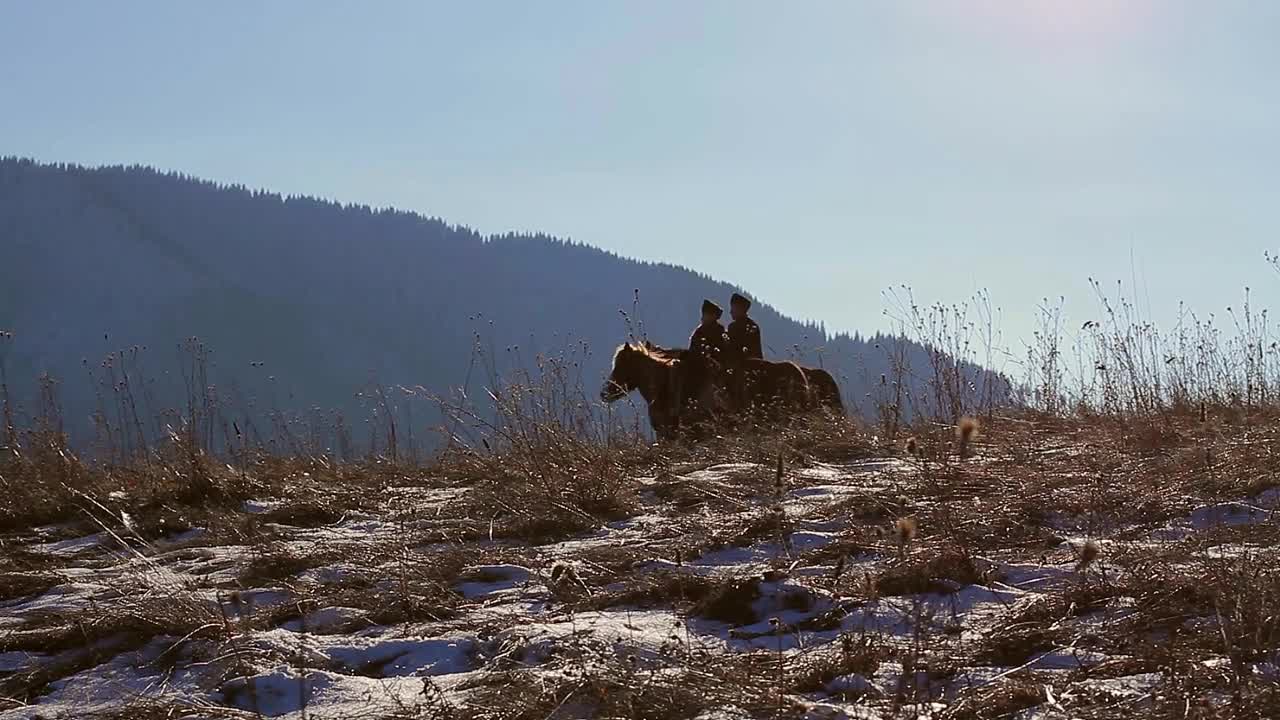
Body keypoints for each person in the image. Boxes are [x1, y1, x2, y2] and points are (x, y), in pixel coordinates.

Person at [686, 299, 728, 415]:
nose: (703, 317)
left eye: (706, 314)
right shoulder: (702, 331)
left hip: (711, 372)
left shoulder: (716, 332)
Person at [725, 292, 763, 413]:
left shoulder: (734, 327)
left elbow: (731, 351)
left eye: (733, 309)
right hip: (754, 368)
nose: (731, 312)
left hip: (740, 369)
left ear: (740, 309)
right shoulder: (753, 326)